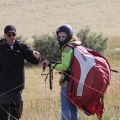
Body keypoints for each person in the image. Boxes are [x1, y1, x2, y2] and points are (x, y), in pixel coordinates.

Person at [0, 25, 40, 120]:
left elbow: (33, 59)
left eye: (13, 34)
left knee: (16, 117)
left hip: (17, 89)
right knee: (3, 117)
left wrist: (36, 56)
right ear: (5, 35)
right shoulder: (0, 47)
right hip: (3, 89)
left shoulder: (21, 46)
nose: (12, 37)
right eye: (9, 35)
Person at [44, 24, 81, 120]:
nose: (61, 39)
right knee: (73, 108)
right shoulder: (75, 45)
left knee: (65, 108)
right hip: (75, 82)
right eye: (59, 37)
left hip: (68, 84)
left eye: (63, 36)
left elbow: (64, 66)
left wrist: (50, 64)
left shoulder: (67, 48)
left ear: (68, 35)